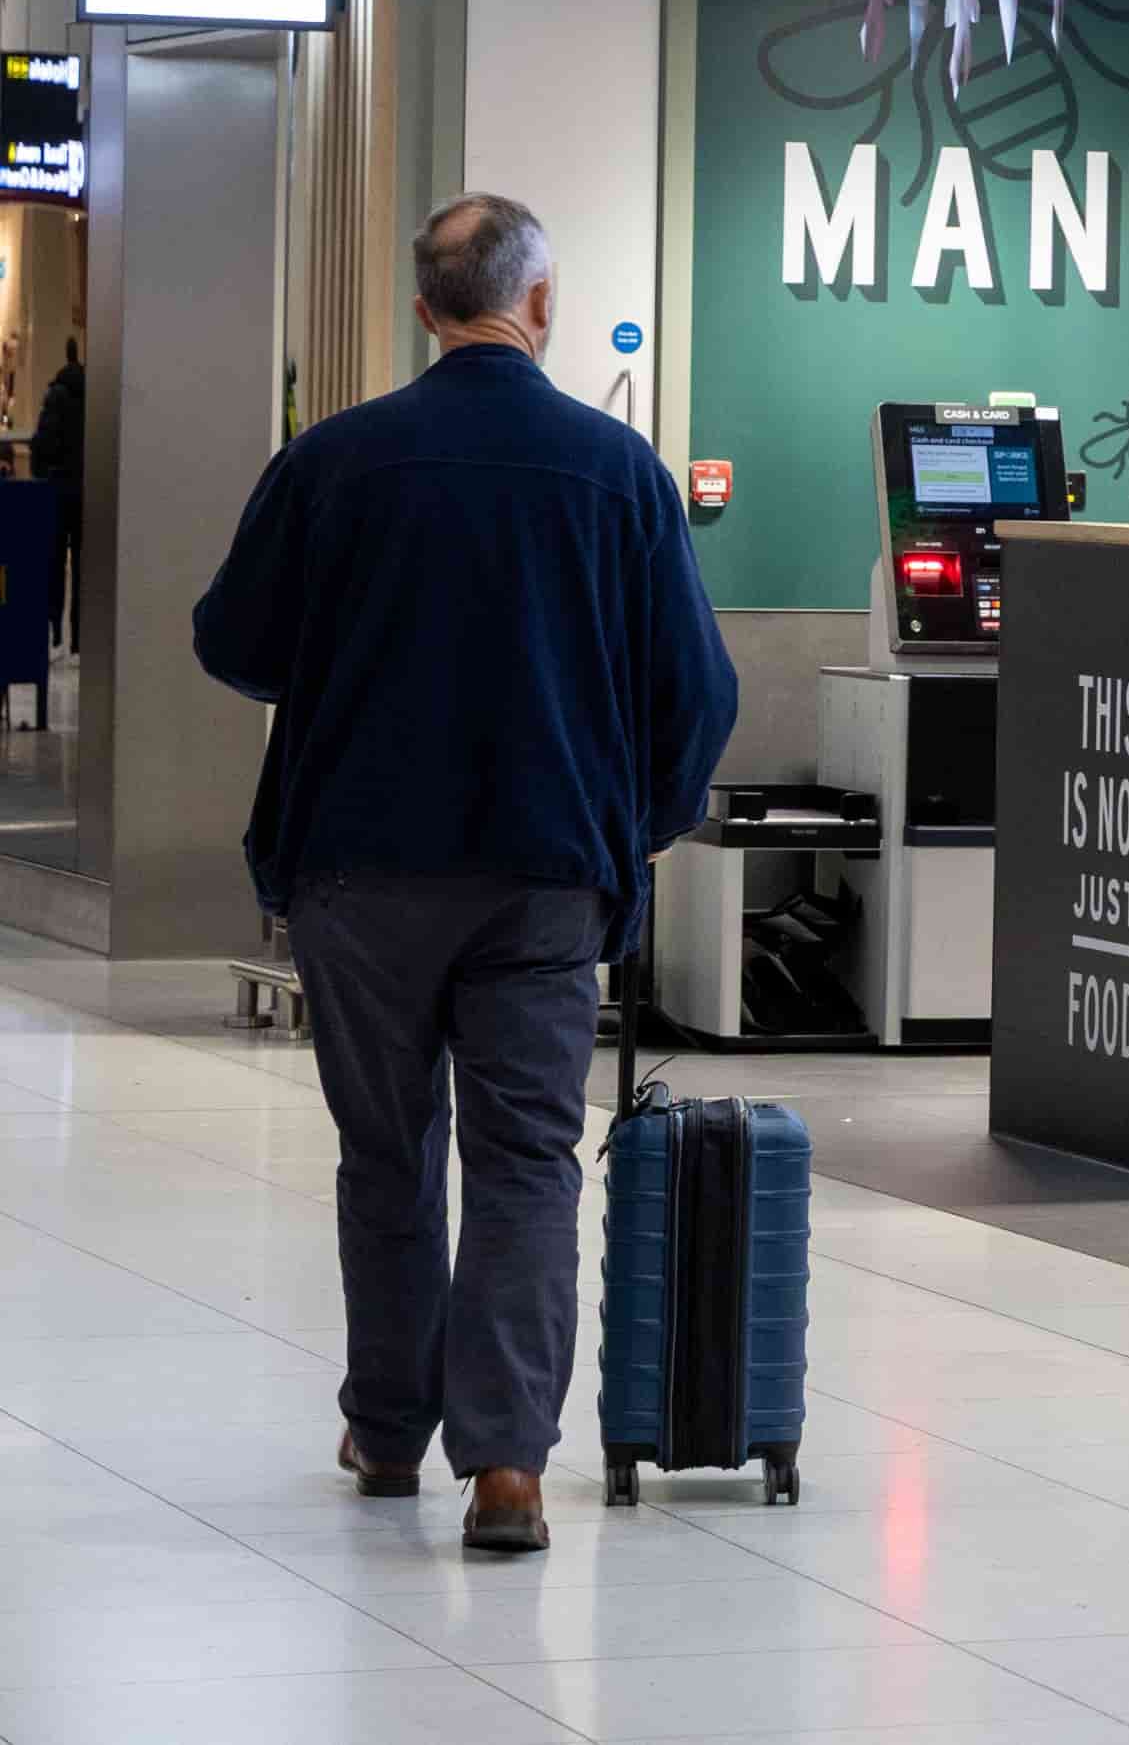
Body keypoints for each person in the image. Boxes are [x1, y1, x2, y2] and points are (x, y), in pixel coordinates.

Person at [194, 195, 738, 1555]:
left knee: (385, 1149)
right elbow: (702, 690)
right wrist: (644, 823)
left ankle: (387, 1429)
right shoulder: (619, 475)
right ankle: (506, 1466)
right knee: (525, 1159)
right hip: (549, 870)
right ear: (539, 305)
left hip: (358, 867)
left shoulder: (334, 462)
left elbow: (233, 642)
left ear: (421, 309)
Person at [31, 340, 79, 653]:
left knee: (56, 563)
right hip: (87, 492)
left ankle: (55, 631)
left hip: (59, 492)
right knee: (85, 569)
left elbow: (42, 447)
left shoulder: (57, 395)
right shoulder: (93, 396)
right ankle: (80, 637)